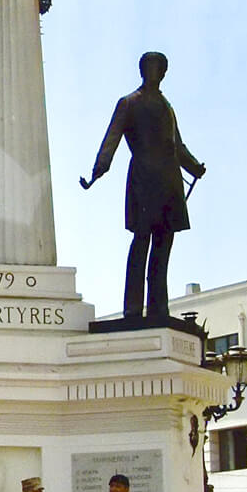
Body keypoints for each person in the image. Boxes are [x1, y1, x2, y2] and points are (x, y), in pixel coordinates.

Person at [81, 52, 205, 319]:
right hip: (143, 180)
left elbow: (177, 146)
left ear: (163, 73)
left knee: (164, 244)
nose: (153, 72)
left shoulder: (166, 106)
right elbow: (111, 140)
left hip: (169, 181)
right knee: (141, 241)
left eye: (158, 68)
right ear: (142, 71)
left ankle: (159, 306)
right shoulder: (129, 103)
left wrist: (194, 167)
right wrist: (97, 172)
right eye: (149, 67)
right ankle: (133, 308)